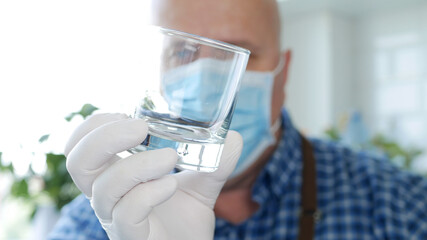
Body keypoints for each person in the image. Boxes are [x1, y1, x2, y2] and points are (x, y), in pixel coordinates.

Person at [49, 0, 427, 239]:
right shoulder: (97, 221)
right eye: (182, 51)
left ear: (284, 71)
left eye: (240, 51)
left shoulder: (399, 208)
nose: (207, 73)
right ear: (157, 69)